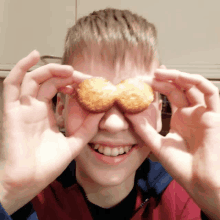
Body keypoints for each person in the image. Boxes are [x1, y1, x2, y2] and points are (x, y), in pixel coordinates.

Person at [0, 8, 220, 220]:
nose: (113, 124)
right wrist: (9, 192)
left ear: (159, 107)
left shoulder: (189, 199)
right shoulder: (26, 198)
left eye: (134, 100)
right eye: (91, 101)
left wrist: (214, 200)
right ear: (60, 108)